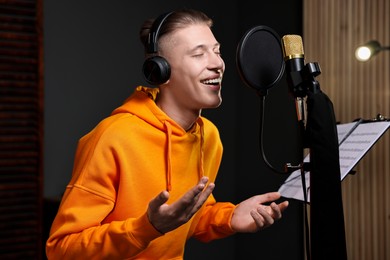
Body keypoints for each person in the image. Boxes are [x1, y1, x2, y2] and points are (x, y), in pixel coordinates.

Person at [46, 8, 289, 259]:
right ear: (160, 70)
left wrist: (229, 217)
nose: (217, 64)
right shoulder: (112, 137)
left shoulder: (209, 137)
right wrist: (147, 228)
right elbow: (63, 249)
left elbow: (189, 214)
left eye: (217, 51)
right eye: (199, 54)